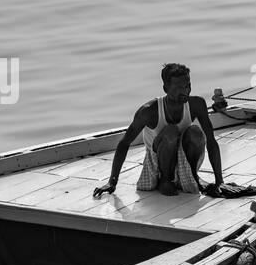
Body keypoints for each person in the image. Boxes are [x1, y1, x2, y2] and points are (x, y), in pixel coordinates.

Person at [93, 63, 226, 198]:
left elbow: (211, 140)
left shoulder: (196, 104)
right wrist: (112, 181)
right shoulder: (149, 111)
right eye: (179, 87)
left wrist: (219, 181)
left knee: (195, 132)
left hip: (182, 158)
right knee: (171, 131)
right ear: (165, 88)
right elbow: (124, 143)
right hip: (157, 163)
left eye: (188, 86)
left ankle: (191, 177)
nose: (185, 91)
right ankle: (165, 180)